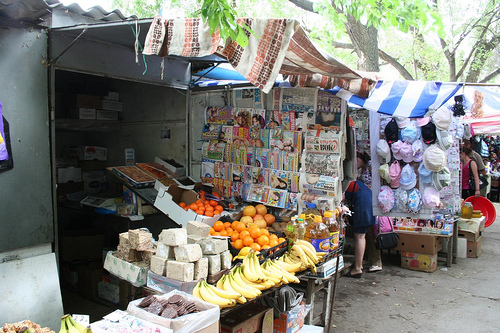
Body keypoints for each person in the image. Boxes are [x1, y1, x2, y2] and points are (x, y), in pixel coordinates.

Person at [344, 180, 376, 278]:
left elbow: (340, 197)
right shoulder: (358, 184)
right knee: (362, 236)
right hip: (369, 208)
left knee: (360, 236)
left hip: (363, 209)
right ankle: (359, 265)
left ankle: (357, 268)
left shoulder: (348, 182)